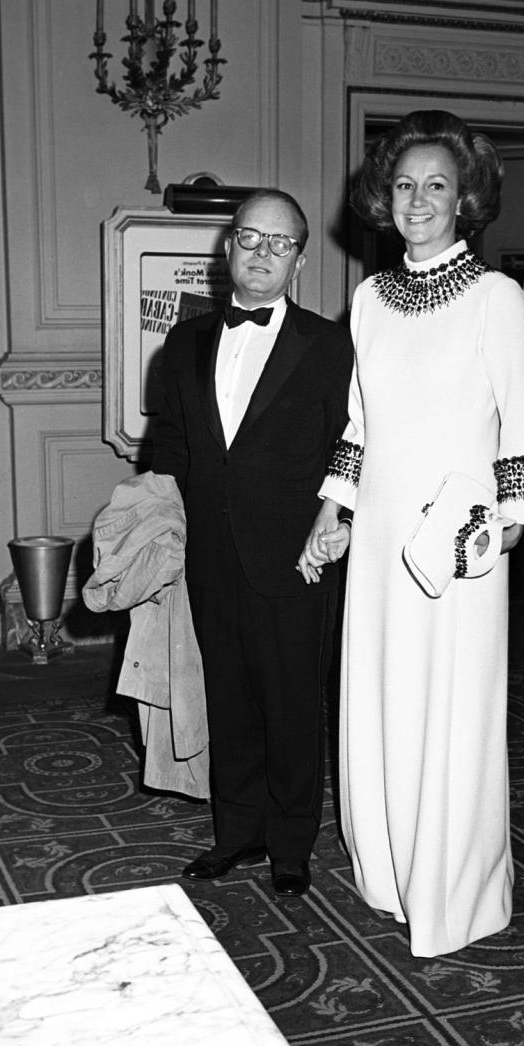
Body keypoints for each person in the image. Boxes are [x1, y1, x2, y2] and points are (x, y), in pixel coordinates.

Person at [298, 110, 524, 957]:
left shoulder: (497, 298)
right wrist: (335, 508)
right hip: (379, 543)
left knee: (453, 709)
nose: (418, 200)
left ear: (466, 196)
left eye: (436, 185)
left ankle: (454, 891)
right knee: (381, 695)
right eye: (404, 184)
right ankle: (390, 871)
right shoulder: (368, 299)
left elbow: (523, 428)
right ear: (384, 196)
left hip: (461, 542)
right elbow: (360, 421)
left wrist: (503, 533)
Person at [151, 188, 353, 897]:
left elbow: (353, 450)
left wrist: (337, 524)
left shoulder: (330, 346)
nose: (262, 253)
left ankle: (292, 842)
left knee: (293, 703)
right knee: (229, 699)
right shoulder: (183, 343)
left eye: (281, 243)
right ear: (226, 247)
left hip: (295, 558)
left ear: (298, 259)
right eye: (250, 238)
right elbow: (170, 446)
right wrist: (154, 531)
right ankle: (237, 832)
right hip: (209, 555)